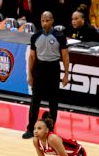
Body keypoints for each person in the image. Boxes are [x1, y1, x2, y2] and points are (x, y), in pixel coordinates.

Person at [22, 11, 69, 139]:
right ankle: (31, 129)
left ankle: (51, 129)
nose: (44, 23)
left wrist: (66, 74)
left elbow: (65, 56)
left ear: (52, 21)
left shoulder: (60, 36)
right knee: (35, 100)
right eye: (43, 20)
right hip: (40, 68)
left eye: (47, 20)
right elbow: (32, 57)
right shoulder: (35, 36)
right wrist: (30, 75)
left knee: (53, 101)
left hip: (53, 68)